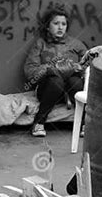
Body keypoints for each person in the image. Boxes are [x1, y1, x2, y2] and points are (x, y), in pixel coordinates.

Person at [24, 8, 87, 137]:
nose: (60, 27)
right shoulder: (40, 44)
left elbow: (89, 64)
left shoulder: (76, 44)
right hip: (48, 89)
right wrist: (50, 68)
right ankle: (38, 123)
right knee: (56, 81)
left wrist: (77, 67)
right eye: (56, 23)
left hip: (71, 92)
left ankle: (85, 124)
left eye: (63, 24)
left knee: (74, 81)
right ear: (47, 26)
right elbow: (30, 71)